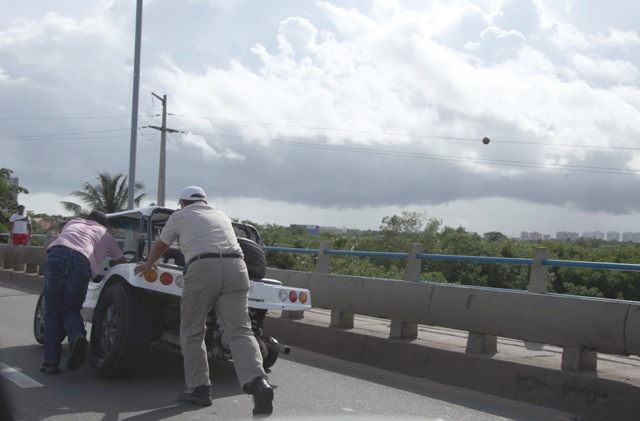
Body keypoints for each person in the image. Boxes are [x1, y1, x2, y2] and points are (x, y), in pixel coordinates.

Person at [134, 186, 274, 417]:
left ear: (182, 202)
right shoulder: (221, 214)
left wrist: (149, 263)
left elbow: (161, 245)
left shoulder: (180, 215)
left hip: (202, 268)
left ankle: (199, 389)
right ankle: (259, 382)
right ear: (205, 202)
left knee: (192, 329)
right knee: (240, 331)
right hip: (237, 268)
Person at [41, 210, 127, 375]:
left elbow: (68, 239)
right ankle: (77, 337)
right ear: (103, 224)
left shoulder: (73, 223)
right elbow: (121, 261)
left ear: (88, 219)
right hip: (82, 262)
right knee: (70, 308)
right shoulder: (105, 234)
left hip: (57, 254)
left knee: (52, 310)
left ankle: (50, 363)